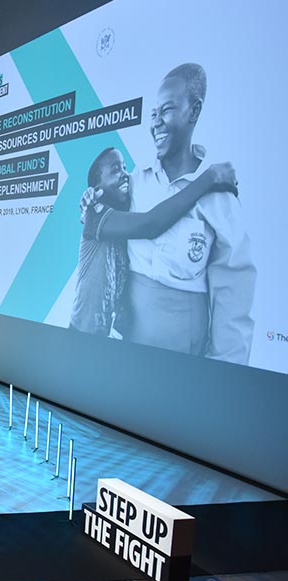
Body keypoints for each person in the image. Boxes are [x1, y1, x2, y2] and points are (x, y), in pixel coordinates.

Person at [120, 64, 254, 362]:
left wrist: (225, 369)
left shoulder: (220, 197)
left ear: (194, 112)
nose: (156, 122)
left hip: (183, 358)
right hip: (129, 347)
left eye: (166, 110)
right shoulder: (136, 180)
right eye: (153, 113)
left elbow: (234, 293)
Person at [71, 148, 237, 337]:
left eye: (125, 167)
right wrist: (209, 178)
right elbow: (151, 224)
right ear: (96, 188)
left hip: (103, 335)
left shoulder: (122, 216)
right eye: (116, 169)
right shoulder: (95, 214)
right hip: (81, 334)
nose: (125, 174)